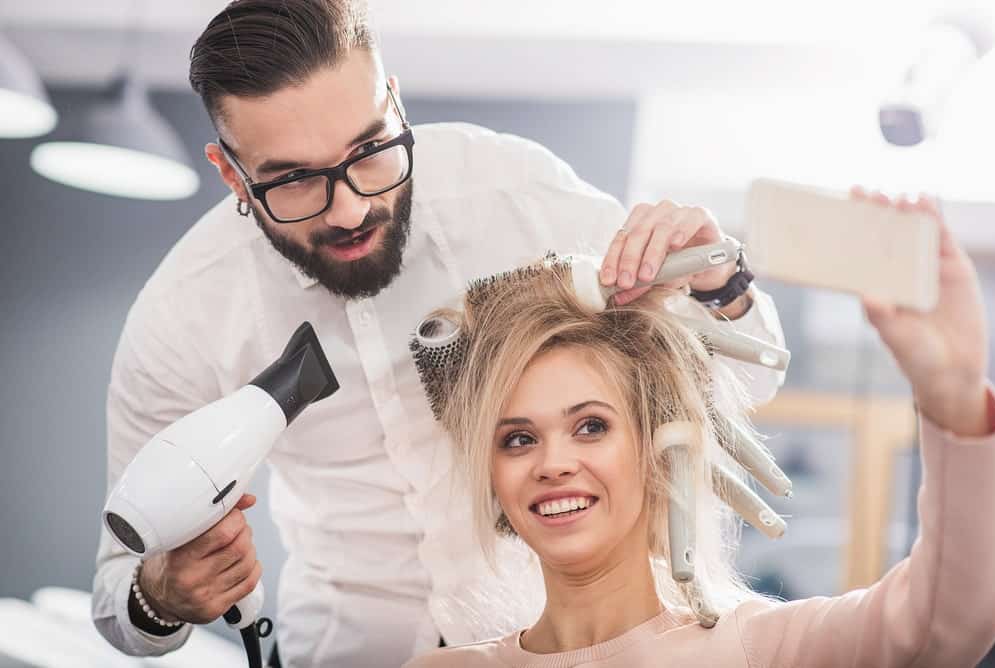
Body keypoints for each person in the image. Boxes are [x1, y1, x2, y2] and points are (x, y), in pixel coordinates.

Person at [90, 1, 787, 666]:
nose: (350, 207)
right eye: (296, 180)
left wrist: (717, 283)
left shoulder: (517, 197)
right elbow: (118, 597)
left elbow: (750, 381)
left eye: (369, 150)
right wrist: (161, 596)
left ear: (394, 103)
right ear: (232, 175)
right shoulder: (184, 315)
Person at [403, 189, 995, 668]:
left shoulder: (759, 650)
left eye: (590, 426)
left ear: (658, 450)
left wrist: (953, 400)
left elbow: (945, 623)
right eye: (518, 438)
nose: (552, 463)